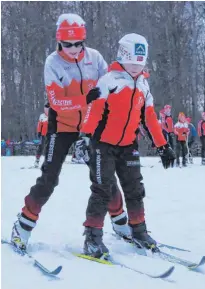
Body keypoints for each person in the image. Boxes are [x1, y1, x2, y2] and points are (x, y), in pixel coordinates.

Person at [11, 13, 128, 251]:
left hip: (90, 126)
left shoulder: (94, 58)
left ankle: (120, 221)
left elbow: (110, 82)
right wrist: (85, 98)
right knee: (49, 177)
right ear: (59, 42)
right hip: (61, 126)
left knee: (104, 176)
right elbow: (56, 102)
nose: (73, 49)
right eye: (67, 45)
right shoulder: (52, 63)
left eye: (78, 44)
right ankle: (23, 225)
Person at [79, 33, 175, 259]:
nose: (135, 68)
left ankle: (139, 231)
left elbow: (150, 118)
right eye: (132, 62)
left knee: (135, 189)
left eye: (139, 64)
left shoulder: (143, 85)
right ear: (122, 58)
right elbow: (94, 112)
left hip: (128, 144)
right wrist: (84, 137)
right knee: (102, 190)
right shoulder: (109, 81)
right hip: (103, 145)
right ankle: (92, 238)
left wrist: (163, 146)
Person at [34, 102, 49, 168]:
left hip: (51, 135)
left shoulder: (53, 116)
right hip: (44, 135)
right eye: (46, 108)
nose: (47, 110)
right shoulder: (42, 116)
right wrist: (39, 132)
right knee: (41, 147)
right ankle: (37, 160)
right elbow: (39, 125)